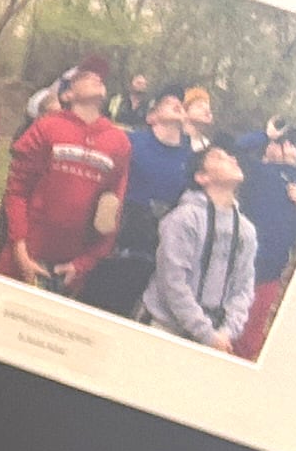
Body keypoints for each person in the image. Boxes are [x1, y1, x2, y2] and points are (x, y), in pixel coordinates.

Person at [0, 56, 131, 293]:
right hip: (24, 255)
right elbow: (17, 192)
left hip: (69, 269)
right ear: (67, 94)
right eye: (85, 77)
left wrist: (83, 264)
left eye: (99, 78)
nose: (96, 79)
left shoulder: (119, 142)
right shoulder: (46, 127)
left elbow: (111, 211)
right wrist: (20, 249)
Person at [87, 78, 215, 315]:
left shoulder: (193, 158)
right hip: (114, 245)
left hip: (156, 253)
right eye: (169, 102)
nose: (177, 104)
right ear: (152, 116)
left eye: (180, 103)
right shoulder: (131, 143)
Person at [138, 142, 261, 350]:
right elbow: (173, 282)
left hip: (214, 339)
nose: (233, 159)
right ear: (202, 177)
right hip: (165, 330)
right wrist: (206, 334)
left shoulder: (246, 230)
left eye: (231, 157)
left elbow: (244, 288)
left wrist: (226, 332)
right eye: (219, 157)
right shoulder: (183, 219)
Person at [236, 115, 296, 358]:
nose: (285, 146)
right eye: (281, 142)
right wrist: (266, 136)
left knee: (249, 338)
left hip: (270, 273)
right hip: (238, 265)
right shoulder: (257, 174)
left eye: (290, 142)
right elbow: (233, 150)